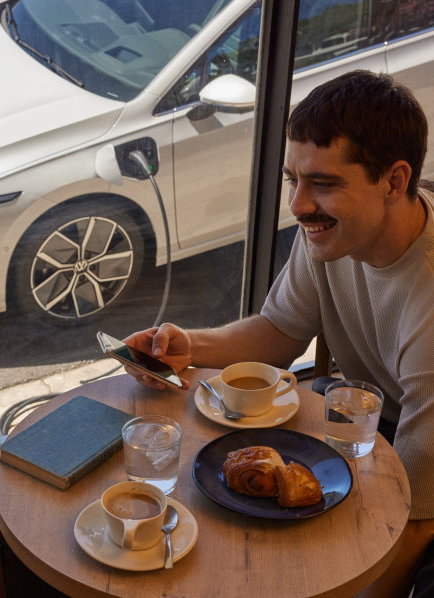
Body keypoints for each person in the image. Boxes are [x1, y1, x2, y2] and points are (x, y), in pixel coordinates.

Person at [124, 69, 434, 597]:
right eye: (295, 180)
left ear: (394, 181)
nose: (298, 206)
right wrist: (187, 348)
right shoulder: (334, 234)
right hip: (375, 422)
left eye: (324, 184)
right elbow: (281, 330)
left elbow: (417, 515)